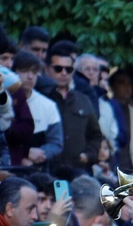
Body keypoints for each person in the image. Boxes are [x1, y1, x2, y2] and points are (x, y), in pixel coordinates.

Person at [41, 42, 103, 170]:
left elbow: (95, 135)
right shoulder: (39, 98)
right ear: (47, 69)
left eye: (68, 69)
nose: (64, 73)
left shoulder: (83, 99)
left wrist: (88, 155)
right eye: (58, 68)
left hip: (78, 170)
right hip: (46, 171)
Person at [5, 50, 63, 167]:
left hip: (37, 168)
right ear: (13, 72)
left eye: (34, 72)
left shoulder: (48, 105)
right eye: (24, 71)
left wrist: (40, 154)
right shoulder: (1, 100)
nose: (30, 76)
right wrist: (23, 154)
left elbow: (56, 143)